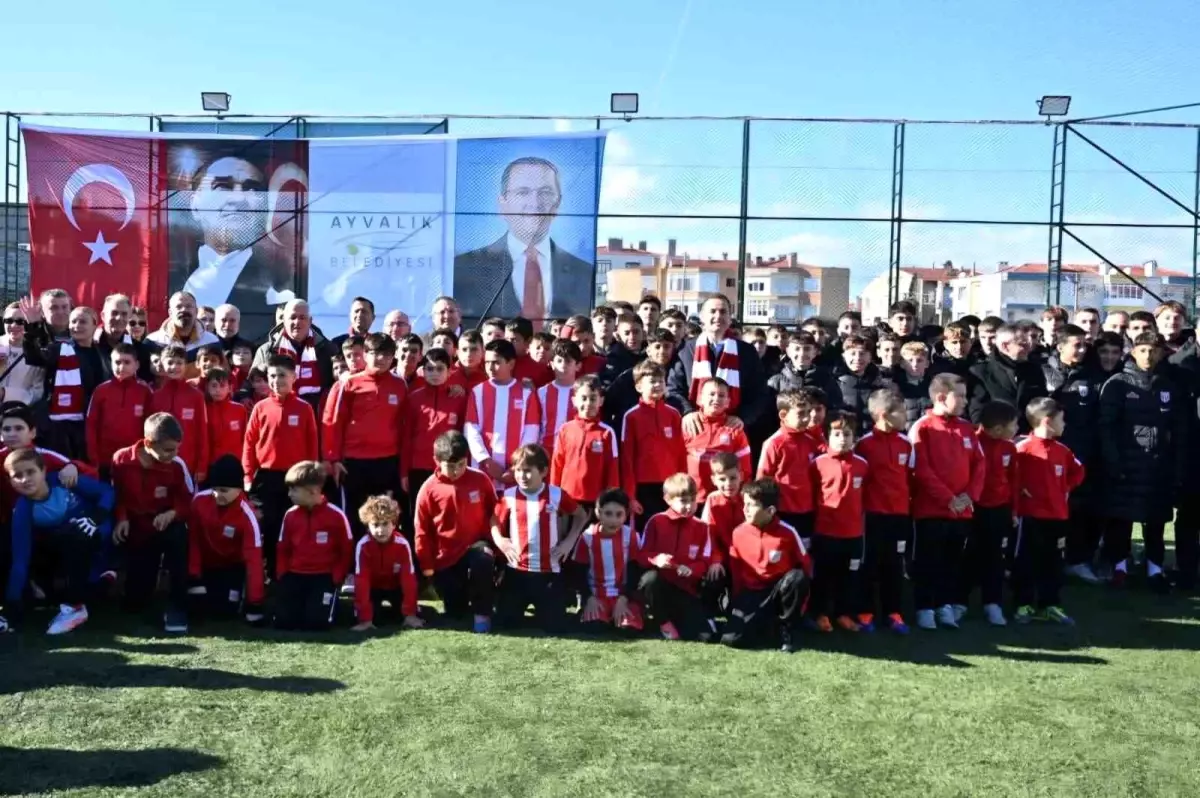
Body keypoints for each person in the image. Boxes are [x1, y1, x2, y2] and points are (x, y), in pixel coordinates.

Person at [453, 157, 593, 325]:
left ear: (557, 204)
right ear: (503, 204)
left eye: (545, 192)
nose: (535, 203)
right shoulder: (466, 268)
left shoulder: (584, 273)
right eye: (523, 192)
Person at [1098, 332, 1186, 590]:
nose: (1148, 356)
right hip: (1126, 464)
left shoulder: (1168, 386)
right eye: (1143, 350)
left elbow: (1178, 430)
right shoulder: (1117, 384)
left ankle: (1154, 570)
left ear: (1161, 353)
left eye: (1153, 350)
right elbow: (1106, 427)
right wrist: (1113, 461)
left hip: (1159, 466)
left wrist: (1176, 465)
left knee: (1156, 520)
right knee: (1121, 520)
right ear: (1134, 352)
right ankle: (1120, 568)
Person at [4, 448, 114, 635]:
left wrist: (97, 517)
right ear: (10, 481)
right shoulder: (23, 510)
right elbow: (20, 560)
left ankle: (75, 606)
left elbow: (107, 491)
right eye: (17, 476)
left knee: (75, 533)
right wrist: (11, 605)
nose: (25, 479)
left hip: (99, 532)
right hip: (69, 546)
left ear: (43, 471)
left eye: (30, 472)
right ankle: (100, 583)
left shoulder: (61, 480)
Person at [179, 153, 294, 327]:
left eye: (251, 188)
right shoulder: (171, 276)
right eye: (222, 186)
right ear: (195, 205)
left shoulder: (280, 282)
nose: (239, 198)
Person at [909, 373, 985, 630]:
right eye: (960, 396)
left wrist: (969, 495)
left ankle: (945, 606)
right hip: (931, 510)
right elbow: (920, 468)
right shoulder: (923, 427)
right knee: (928, 561)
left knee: (952, 562)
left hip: (961, 511)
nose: (965, 401)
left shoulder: (967, 428)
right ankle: (925, 608)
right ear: (941, 397)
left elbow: (980, 464)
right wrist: (948, 498)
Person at [111, 413, 195, 633]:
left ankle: (178, 605)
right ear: (148, 443)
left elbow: (189, 502)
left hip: (164, 528)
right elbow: (117, 495)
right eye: (168, 450)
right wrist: (122, 518)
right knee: (135, 602)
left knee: (179, 535)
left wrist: (173, 513)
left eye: (177, 449)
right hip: (137, 532)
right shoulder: (121, 460)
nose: (174, 454)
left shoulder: (177, 465)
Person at [491, 444, 588, 633]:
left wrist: (568, 542)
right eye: (518, 470)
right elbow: (494, 520)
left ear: (543, 471)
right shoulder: (509, 496)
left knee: (555, 628)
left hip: (548, 572)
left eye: (528, 471)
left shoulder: (556, 494)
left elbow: (581, 515)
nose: (522, 476)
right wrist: (500, 540)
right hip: (516, 571)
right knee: (505, 625)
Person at [323, 333, 407, 542]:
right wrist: (333, 459)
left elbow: (403, 426)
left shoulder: (400, 385)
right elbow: (333, 422)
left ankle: (381, 561)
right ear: (365, 354)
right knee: (353, 518)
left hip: (387, 462)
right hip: (353, 463)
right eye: (375, 353)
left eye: (386, 355)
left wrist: (401, 466)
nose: (381, 359)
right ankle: (353, 560)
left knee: (383, 518)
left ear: (393, 357)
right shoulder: (349, 383)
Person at [413, 431, 499, 633]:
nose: (457, 470)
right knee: (455, 612)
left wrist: (498, 547)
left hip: (476, 546)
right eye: (451, 466)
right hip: (446, 556)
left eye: (461, 464)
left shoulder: (480, 479)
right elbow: (421, 530)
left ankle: (482, 613)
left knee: (483, 559)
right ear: (437, 461)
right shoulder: (428, 489)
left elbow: (495, 513)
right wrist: (427, 566)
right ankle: (461, 599)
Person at [243, 354, 319, 576]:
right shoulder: (260, 408)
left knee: (294, 525)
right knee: (269, 526)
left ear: (294, 377)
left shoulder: (304, 408)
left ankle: (293, 570)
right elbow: (249, 443)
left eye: (282, 375)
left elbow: (312, 445)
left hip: (295, 479)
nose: (277, 381)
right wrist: (247, 476)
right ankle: (271, 572)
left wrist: (311, 479)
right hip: (266, 477)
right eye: (272, 376)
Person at [1042, 324, 1105, 584]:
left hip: (1080, 454)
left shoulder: (1091, 376)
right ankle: (1046, 562)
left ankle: (1077, 561)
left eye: (1084, 345)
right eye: (1076, 345)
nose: (1081, 350)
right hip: (1046, 456)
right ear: (1060, 346)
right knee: (1047, 509)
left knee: (1079, 510)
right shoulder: (1042, 371)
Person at [1012, 398, 1085, 625]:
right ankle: (1023, 604)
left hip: (1058, 516)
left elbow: (1079, 471)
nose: (1065, 424)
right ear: (1047, 422)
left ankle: (1050, 605)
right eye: (1061, 420)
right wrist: (1018, 494)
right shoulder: (1022, 448)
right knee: (1025, 561)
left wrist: (1065, 488)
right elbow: (1009, 476)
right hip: (1029, 516)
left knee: (1053, 563)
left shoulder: (1063, 450)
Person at [719, 478, 812, 653]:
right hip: (751, 595)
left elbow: (805, 568)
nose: (745, 509)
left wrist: (801, 607)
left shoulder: (788, 533)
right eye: (744, 503)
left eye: (751, 505)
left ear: (770, 511)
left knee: (796, 577)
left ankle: (787, 630)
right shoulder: (738, 533)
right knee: (731, 639)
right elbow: (736, 571)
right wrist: (736, 602)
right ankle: (767, 626)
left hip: (778, 593)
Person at [628, 473, 717, 641]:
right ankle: (663, 621)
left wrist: (692, 570)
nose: (689, 506)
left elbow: (705, 561)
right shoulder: (656, 521)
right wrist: (656, 559)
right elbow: (641, 555)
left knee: (704, 636)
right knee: (651, 579)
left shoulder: (702, 527)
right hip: (660, 587)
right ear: (668, 500)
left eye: (693, 500)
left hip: (686, 591)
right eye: (683, 501)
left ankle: (681, 619)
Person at [667, 295, 771, 436]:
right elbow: (673, 389)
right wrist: (687, 411)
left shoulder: (746, 352)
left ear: (730, 318)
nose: (718, 316)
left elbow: (759, 393)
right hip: (694, 430)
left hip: (733, 431)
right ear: (702, 317)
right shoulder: (686, 349)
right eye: (712, 311)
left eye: (723, 312)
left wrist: (742, 417)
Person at [854, 389, 912, 634]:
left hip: (899, 515)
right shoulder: (864, 444)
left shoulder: (906, 443)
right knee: (870, 563)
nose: (906, 416)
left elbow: (910, 477)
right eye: (902, 412)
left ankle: (893, 612)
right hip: (872, 514)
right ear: (884, 415)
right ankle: (865, 611)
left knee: (895, 564)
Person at [808, 412, 869, 633]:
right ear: (827, 437)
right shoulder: (817, 464)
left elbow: (866, 496)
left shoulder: (862, 465)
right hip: (825, 532)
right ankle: (821, 614)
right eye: (837, 434)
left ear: (854, 437)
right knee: (823, 576)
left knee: (849, 577)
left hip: (853, 534)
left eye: (847, 434)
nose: (842, 439)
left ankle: (844, 614)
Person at [275, 461, 353, 631]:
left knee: (317, 623)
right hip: (295, 574)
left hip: (323, 576)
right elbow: (283, 548)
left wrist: (336, 577)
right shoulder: (290, 515)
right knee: (283, 622)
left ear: (313, 491)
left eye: (294, 490)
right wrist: (283, 575)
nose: (289, 494)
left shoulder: (336, 516)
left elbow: (346, 550)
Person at [186, 454, 264, 623]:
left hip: (231, 568)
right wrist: (194, 575)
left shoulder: (247, 515)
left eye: (224, 490)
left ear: (239, 489)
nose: (217, 495)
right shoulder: (199, 502)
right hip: (205, 566)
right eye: (215, 489)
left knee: (225, 612)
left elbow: (254, 560)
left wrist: (255, 603)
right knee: (195, 606)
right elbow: (193, 541)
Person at [24, 306, 108, 459]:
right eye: (73, 321)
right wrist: (32, 328)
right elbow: (34, 357)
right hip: (59, 427)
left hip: (90, 423)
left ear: (95, 325)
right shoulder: (59, 349)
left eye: (82, 322)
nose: (77, 326)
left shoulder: (103, 354)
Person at [962, 400, 1018, 627]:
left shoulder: (1009, 448)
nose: (1017, 429)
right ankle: (959, 602)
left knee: (995, 558)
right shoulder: (972, 443)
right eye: (1013, 425)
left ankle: (992, 604)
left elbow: (1014, 480)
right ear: (997, 429)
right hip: (974, 509)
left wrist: (1013, 510)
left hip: (999, 510)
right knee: (967, 556)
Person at [464, 339, 542, 489]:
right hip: (484, 469)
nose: (490, 367)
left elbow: (531, 431)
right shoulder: (477, 392)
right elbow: (471, 430)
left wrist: (517, 465)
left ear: (511, 364)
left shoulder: (526, 393)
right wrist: (485, 460)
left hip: (516, 471)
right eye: (487, 362)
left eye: (496, 362)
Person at [619, 360, 686, 527]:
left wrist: (683, 484)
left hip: (671, 485)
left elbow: (681, 452)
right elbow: (627, 459)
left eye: (661, 381)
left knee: (670, 528)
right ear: (639, 387)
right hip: (643, 487)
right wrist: (630, 495)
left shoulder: (673, 414)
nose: (657, 385)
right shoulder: (631, 416)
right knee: (646, 530)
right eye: (652, 381)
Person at [251, 300, 339, 415]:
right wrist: (244, 394)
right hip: (278, 414)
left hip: (316, 415)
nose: (297, 322)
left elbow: (337, 383)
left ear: (310, 321)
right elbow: (251, 382)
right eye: (292, 317)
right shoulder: (266, 350)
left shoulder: (328, 349)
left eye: (302, 318)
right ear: (284, 320)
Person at [400, 349, 467, 500]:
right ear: (423, 371)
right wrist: (404, 472)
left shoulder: (459, 399)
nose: (434, 373)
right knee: (419, 511)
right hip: (418, 467)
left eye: (440, 369)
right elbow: (406, 437)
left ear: (449, 371)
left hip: (449, 466)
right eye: (430, 369)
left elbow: (464, 436)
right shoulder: (413, 399)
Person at [351, 495, 423, 632]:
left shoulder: (402, 544)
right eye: (375, 525)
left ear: (394, 524)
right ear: (367, 526)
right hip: (373, 588)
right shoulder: (363, 546)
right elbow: (362, 581)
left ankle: (410, 611)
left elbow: (408, 579)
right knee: (374, 617)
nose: (380, 530)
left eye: (385, 524)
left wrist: (410, 614)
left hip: (395, 587)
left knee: (405, 616)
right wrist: (365, 619)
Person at [573, 488, 641, 633]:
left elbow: (635, 570)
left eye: (619, 514)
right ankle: (593, 612)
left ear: (626, 514)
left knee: (628, 630)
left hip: (623, 596)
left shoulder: (631, 536)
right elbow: (578, 573)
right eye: (608, 514)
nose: (613, 520)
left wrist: (624, 598)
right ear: (598, 513)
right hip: (597, 596)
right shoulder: (587, 537)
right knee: (595, 628)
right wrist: (588, 598)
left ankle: (626, 614)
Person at [756, 390, 817, 548]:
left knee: (804, 550)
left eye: (808, 412)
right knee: (782, 549)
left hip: (807, 510)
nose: (807, 418)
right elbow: (763, 481)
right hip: (783, 511)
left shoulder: (811, 441)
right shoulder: (774, 443)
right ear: (783, 415)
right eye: (801, 413)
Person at [85, 343, 154, 476]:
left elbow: (151, 427)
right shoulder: (101, 390)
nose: (121, 367)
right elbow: (91, 425)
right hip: (104, 460)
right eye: (117, 362)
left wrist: (146, 454)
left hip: (134, 459)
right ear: (110, 364)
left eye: (127, 362)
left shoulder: (145, 392)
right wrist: (93, 457)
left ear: (136, 365)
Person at [683, 378, 752, 505]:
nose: (716, 399)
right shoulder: (688, 426)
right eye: (711, 394)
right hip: (691, 501)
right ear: (700, 398)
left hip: (724, 502)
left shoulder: (735, 430)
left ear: (728, 402)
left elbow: (745, 470)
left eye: (721, 395)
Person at [968, 323, 1047, 433]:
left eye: (1028, 344)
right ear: (1005, 346)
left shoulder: (1034, 370)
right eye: (1022, 345)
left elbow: (1041, 404)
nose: (1028, 348)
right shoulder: (981, 372)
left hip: (1028, 436)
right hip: (997, 436)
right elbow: (977, 412)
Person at [150, 345, 210, 481]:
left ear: (185, 365)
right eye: (170, 362)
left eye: (179, 363)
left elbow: (202, 431)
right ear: (162, 364)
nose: (174, 367)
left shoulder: (196, 396)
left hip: (188, 463)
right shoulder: (155, 396)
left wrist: (201, 466)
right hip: (160, 461)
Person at [833, 334, 894, 433]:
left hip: (873, 436)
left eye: (862, 354)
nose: (857, 358)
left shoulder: (880, 383)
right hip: (845, 436)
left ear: (870, 357)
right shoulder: (834, 383)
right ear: (844, 356)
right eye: (853, 353)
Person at [766, 331, 841, 411]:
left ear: (815, 352)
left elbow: (835, 408)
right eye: (797, 349)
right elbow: (769, 412)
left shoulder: (826, 379)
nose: (802, 354)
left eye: (807, 349)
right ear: (788, 352)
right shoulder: (776, 381)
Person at [147, 291, 222, 360]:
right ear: (170, 313)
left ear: (196, 311)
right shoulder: (153, 342)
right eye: (178, 307)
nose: (184, 310)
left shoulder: (211, 342)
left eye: (188, 306)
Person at [538, 340, 580, 453]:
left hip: (573, 451)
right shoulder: (542, 393)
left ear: (578, 366)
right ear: (552, 364)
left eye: (568, 361)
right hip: (546, 452)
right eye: (559, 361)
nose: (563, 365)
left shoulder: (582, 394)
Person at [0, 301, 45, 406]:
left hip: (15, 412)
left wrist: (5, 394)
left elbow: (37, 393)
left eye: (20, 321)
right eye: (8, 321)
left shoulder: (37, 353)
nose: (13, 325)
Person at [204, 369, 248, 471]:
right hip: (211, 464)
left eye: (222, 385)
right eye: (214, 386)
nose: (218, 390)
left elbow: (245, 439)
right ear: (207, 387)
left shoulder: (240, 409)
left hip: (236, 464)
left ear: (230, 388)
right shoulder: (203, 409)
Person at [505, 317, 554, 387]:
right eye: (506, 339)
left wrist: (533, 391)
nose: (508, 343)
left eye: (514, 340)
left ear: (528, 341)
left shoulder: (540, 370)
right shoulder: (498, 363)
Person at [897, 341, 933, 429]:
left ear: (927, 363)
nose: (915, 364)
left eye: (919, 360)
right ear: (902, 364)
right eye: (910, 360)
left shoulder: (934, 386)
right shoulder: (896, 387)